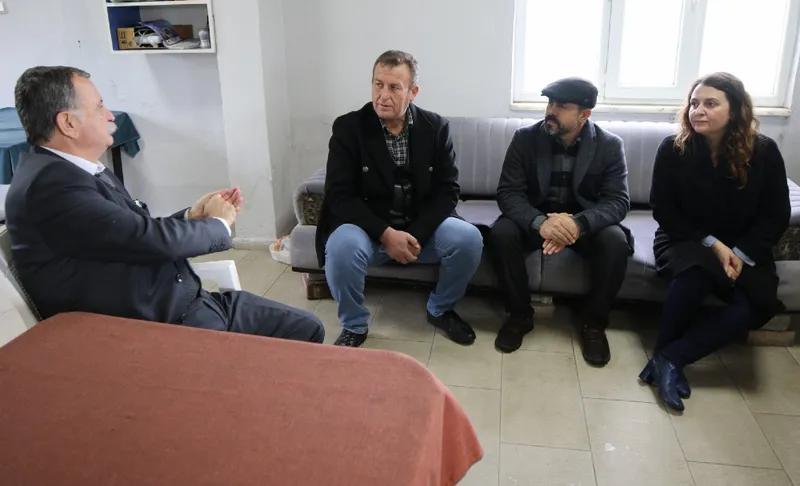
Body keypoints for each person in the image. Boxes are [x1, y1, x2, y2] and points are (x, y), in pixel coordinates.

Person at [6, 66, 324, 343]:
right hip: (156, 328)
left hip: (183, 306)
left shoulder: (73, 171)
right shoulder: (52, 188)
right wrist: (217, 224)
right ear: (68, 123)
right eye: (100, 106)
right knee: (305, 334)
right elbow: (146, 238)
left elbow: (131, 232)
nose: (110, 115)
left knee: (307, 327)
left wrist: (191, 217)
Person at [641, 72, 790, 412]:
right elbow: (664, 209)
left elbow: (776, 214)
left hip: (745, 245)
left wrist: (739, 253)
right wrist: (713, 244)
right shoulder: (674, 148)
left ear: (735, 109)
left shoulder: (764, 151)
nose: (698, 111)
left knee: (753, 306)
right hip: (685, 237)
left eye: (710, 103)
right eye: (694, 103)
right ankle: (666, 362)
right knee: (695, 274)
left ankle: (669, 358)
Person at [317, 50, 483, 348]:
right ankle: (354, 325)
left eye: (394, 87)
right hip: (367, 228)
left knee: (469, 238)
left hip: (419, 228)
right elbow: (339, 195)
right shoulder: (349, 128)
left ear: (413, 92)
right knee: (340, 246)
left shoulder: (436, 127)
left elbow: (448, 190)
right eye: (378, 84)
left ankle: (440, 308)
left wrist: (414, 234)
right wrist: (385, 234)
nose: (383, 95)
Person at [488, 77, 632, 364]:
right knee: (501, 234)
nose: (551, 111)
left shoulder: (609, 145)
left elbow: (618, 201)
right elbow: (508, 193)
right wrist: (541, 222)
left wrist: (577, 224)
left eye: (562, 106)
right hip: (536, 218)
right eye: (550, 103)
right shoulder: (525, 138)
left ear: (584, 114)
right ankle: (519, 315)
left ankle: (593, 323)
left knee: (615, 242)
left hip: (583, 223)